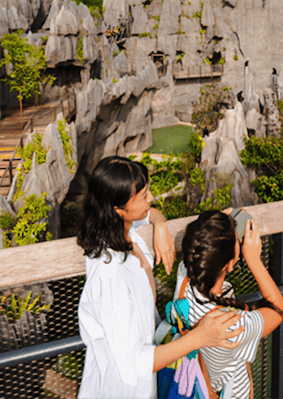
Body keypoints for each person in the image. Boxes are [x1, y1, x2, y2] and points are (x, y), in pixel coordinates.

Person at [76, 156, 243, 399]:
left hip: (148, 385)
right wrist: (200, 337)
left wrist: (160, 224)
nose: (151, 198)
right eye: (143, 196)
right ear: (118, 210)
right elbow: (132, 363)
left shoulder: (123, 235)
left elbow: (148, 214)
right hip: (122, 390)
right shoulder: (110, 276)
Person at [177, 210, 283, 399]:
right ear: (230, 263)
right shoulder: (231, 324)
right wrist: (254, 260)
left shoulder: (184, 282)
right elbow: (279, 310)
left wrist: (219, 223)